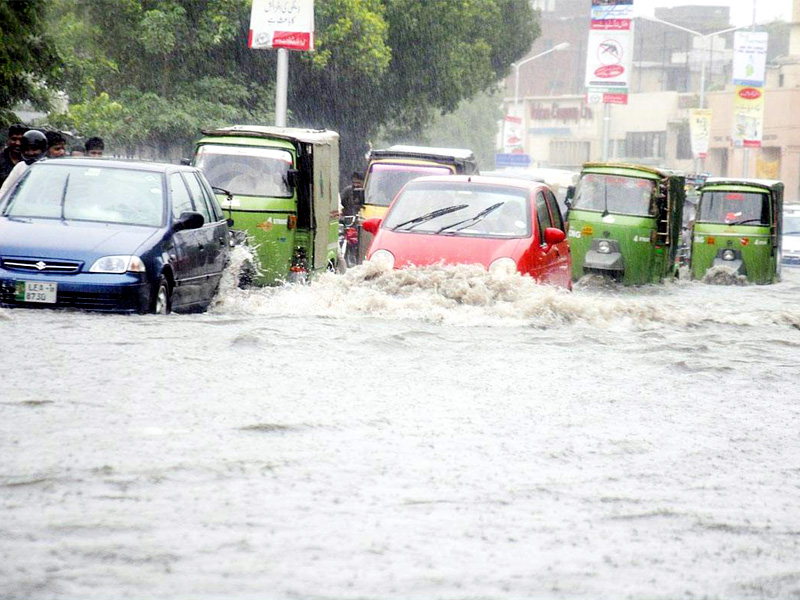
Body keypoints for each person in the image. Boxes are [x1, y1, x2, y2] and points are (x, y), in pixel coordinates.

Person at [0, 129, 48, 197]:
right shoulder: (20, 167)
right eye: (27, 149)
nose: (30, 153)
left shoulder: (50, 168)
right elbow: (5, 189)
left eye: (34, 149)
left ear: (43, 150)